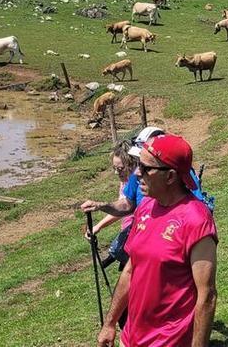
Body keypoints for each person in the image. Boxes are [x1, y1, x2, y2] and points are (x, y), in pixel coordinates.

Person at [97, 133, 218, 347]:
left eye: (145, 168)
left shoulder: (196, 220)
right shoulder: (145, 207)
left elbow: (206, 296)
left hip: (169, 341)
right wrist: (110, 323)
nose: (137, 173)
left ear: (170, 176)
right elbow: (130, 270)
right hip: (132, 337)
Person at [85, 140, 139, 269]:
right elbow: (120, 208)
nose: (116, 173)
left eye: (120, 169)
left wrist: (98, 226)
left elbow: (125, 208)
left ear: (132, 164)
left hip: (136, 231)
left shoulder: (139, 183)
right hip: (127, 227)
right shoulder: (125, 182)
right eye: (114, 168)